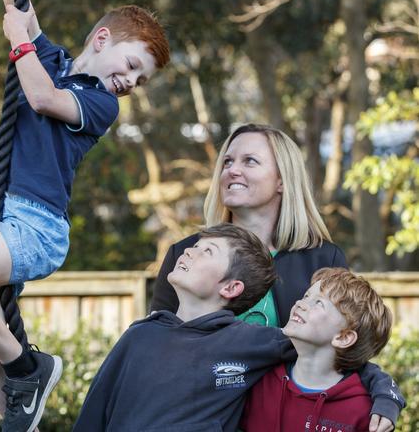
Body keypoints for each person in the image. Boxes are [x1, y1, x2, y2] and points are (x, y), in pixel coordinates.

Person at [0, 0, 170, 430]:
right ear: (102, 39)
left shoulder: (100, 104)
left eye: (139, 79)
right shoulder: (52, 58)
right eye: (130, 65)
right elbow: (14, 0)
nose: (129, 81)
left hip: (35, 226)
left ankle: (30, 368)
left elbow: (40, 97)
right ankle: (23, 416)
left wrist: (19, 45)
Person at [150, 123, 403, 430]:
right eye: (227, 162)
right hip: (196, 418)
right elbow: (153, 346)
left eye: (249, 161)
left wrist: (384, 389)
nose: (231, 171)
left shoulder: (322, 259)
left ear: (282, 180)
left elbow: (342, 345)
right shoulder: (186, 254)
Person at [72, 225, 403, 431]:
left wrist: (386, 396)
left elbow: (340, 354)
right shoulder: (138, 336)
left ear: (230, 288)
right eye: (194, 246)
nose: (188, 250)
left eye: (207, 251)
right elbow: (93, 414)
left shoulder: (252, 343)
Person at [240, 267, 395, 432]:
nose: (300, 303)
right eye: (306, 296)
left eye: (318, 303)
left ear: (343, 337)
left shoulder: (364, 411)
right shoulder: (260, 381)